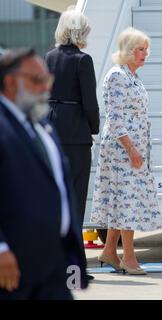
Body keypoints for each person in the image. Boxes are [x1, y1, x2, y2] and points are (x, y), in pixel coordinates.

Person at [0, 48, 88, 299]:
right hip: (12, 268)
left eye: (47, 80)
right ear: (9, 81)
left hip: (53, 266)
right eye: (37, 80)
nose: (45, 88)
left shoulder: (43, 126)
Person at [90, 27, 162, 275]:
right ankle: (128, 257)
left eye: (146, 49)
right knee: (126, 202)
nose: (146, 53)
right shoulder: (116, 76)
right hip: (122, 150)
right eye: (141, 49)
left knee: (122, 200)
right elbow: (115, 118)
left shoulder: (132, 76)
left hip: (133, 148)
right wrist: (131, 150)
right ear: (128, 51)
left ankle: (109, 251)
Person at [45, 9, 100, 232]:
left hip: (52, 128)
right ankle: (72, 254)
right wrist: (93, 128)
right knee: (76, 194)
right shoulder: (83, 60)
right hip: (76, 133)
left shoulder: (49, 56)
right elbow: (90, 102)